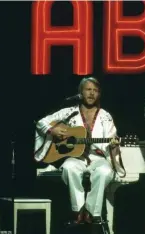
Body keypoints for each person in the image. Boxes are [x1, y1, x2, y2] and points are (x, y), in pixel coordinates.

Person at [35, 77, 120, 223]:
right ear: (80, 92)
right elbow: (41, 122)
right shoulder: (69, 112)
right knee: (68, 167)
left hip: (97, 158)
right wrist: (52, 130)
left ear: (99, 94)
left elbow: (111, 139)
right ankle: (78, 209)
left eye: (95, 90)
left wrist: (113, 144)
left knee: (104, 172)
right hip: (76, 158)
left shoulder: (105, 117)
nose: (92, 93)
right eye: (88, 89)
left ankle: (91, 211)